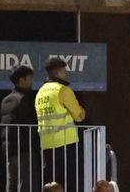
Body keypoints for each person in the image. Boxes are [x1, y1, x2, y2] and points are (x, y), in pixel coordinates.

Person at [34, 57, 84, 189]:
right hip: (65, 143)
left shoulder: (40, 92)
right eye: (63, 71)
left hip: (46, 144)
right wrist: (83, 112)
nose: (65, 74)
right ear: (57, 73)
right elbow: (78, 116)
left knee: (51, 184)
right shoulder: (62, 90)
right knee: (69, 182)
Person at [0, 64, 38, 192]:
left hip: (10, 149)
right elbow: (31, 124)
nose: (32, 81)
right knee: (27, 183)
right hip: (25, 147)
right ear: (22, 80)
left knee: (12, 182)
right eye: (30, 78)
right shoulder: (25, 99)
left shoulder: (6, 100)